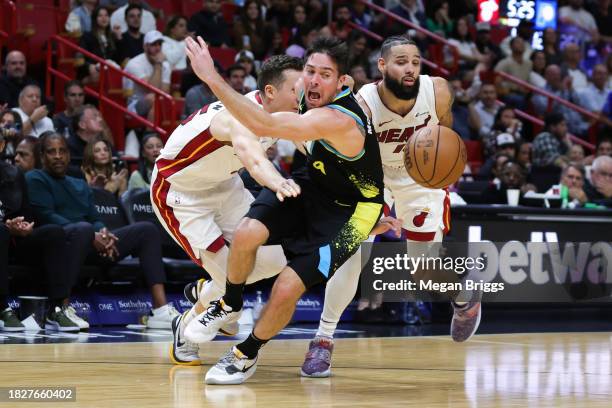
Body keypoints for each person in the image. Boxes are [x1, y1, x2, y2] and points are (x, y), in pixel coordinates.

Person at [182, 35, 399, 385]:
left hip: (354, 213)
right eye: (310, 70)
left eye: (325, 74)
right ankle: (230, 303)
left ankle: (246, 353)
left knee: (285, 287)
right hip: (312, 184)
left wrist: (210, 77)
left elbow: (264, 125)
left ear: (343, 82)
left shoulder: (339, 119)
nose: (314, 79)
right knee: (247, 232)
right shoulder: (307, 97)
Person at [297, 35, 480, 378]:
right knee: (350, 254)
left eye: (415, 61)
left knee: (423, 269)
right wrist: (373, 205)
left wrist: (441, 165)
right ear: (382, 66)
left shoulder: (437, 90)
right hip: (373, 177)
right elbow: (349, 156)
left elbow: (447, 135)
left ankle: (462, 292)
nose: (409, 68)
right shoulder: (363, 104)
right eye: (400, 62)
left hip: (420, 180)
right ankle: (322, 340)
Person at [152, 55, 305, 365]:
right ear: (271, 92)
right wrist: (279, 183)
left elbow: (310, 142)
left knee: (276, 256)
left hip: (225, 186)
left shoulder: (285, 112)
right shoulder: (235, 117)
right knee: (228, 287)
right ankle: (184, 326)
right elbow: (254, 159)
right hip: (181, 195)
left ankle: (206, 292)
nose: (301, 96)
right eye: (295, 89)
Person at [26, 132, 178, 329]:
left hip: (90, 242)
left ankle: (160, 309)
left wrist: (105, 235)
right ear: (42, 156)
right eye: (51, 152)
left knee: (146, 230)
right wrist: (92, 235)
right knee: (82, 229)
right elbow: (46, 215)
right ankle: (60, 309)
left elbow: (95, 218)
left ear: (69, 155)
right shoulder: (35, 178)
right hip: (61, 245)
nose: (57, 156)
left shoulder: (79, 184)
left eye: (62, 151)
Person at [0, 132, 82, 332]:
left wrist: (23, 226)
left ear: (2, 145)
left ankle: (56, 308)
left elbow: (26, 215)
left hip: (13, 241)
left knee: (53, 233)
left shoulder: (13, 174)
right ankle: (2, 308)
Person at [123, 30, 171, 121]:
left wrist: (159, 64)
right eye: (153, 44)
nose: (158, 48)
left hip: (155, 103)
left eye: (159, 44)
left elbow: (165, 92)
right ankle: (150, 133)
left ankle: (152, 133)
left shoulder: (165, 64)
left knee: (160, 100)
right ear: (145, 47)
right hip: (134, 105)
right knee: (153, 97)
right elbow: (152, 89)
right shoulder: (135, 63)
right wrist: (158, 65)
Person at [78, 6, 122, 84]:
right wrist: (89, 67)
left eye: (106, 15)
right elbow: (80, 59)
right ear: (95, 19)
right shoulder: (87, 36)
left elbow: (118, 59)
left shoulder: (112, 37)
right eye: (100, 16)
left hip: (109, 72)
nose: (104, 18)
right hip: (92, 72)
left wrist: (119, 38)